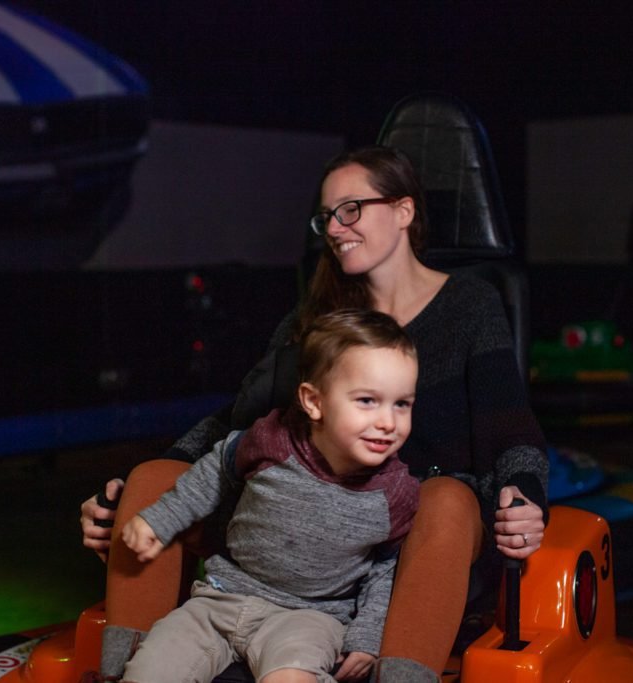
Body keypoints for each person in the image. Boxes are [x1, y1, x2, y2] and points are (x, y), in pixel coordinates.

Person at [83, 145, 549, 682]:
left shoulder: (469, 307)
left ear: (403, 211)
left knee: (443, 498)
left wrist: (523, 492)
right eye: (327, 215)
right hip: (293, 518)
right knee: (153, 479)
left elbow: (509, 424)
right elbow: (238, 419)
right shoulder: (320, 316)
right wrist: (131, 495)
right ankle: (125, 673)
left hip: (403, 531)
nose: (334, 226)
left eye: (351, 208)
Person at [117, 309, 421, 683]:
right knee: (147, 674)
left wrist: (366, 637)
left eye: (402, 404)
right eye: (367, 401)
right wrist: (161, 519)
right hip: (218, 599)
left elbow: (385, 566)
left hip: (311, 617)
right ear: (314, 402)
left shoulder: (395, 492)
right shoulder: (271, 440)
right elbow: (214, 472)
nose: (389, 422)